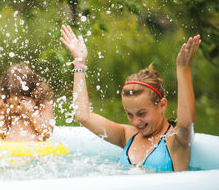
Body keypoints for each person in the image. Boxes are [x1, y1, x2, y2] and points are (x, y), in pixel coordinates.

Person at [60, 25, 200, 171]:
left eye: (142, 113)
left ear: (162, 105)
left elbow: (186, 123)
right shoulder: (128, 136)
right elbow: (83, 117)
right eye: (130, 114)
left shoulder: (176, 141)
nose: (136, 122)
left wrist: (183, 68)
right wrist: (79, 62)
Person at [0, 63, 55, 141]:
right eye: (12, 104)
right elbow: (2, 134)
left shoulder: (43, 106)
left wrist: (32, 113)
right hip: (10, 150)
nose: (17, 108)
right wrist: (0, 113)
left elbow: (46, 134)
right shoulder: (9, 108)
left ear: (34, 94)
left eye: (19, 104)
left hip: (33, 151)